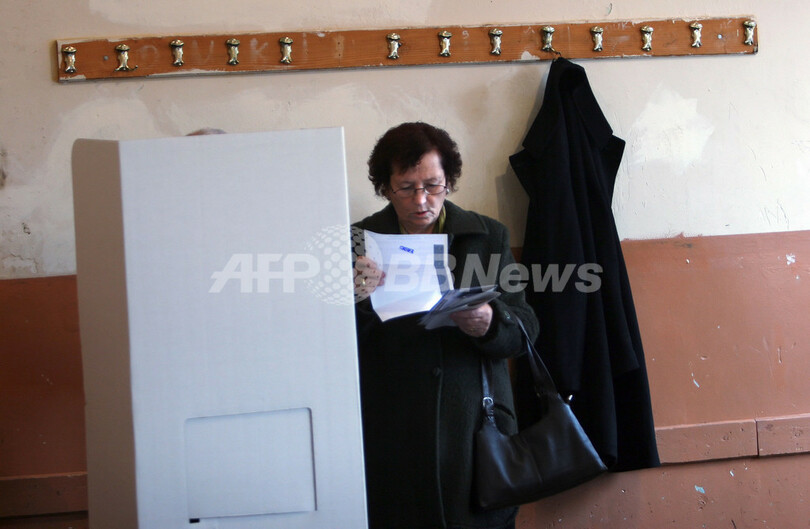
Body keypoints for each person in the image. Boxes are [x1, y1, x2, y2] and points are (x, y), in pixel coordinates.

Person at [353, 122, 540, 529]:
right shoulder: (360, 242)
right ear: (386, 187)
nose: (421, 200)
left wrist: (490, 323)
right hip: (394, 430)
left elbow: (526, 328)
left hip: (474, 431)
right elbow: (332, 343)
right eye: (406, 188)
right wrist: (359, 300)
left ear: (449, 182)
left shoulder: (487, 237)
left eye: (433, 185)